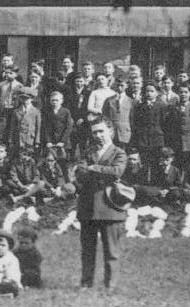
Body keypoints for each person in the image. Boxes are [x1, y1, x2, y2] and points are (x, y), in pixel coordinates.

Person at [73, 117, 127, 291]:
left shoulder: (119, 153)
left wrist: (94, 168)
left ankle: (110, 285)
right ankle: (86, 283)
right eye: (95, 132)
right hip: (88, 207)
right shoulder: (88, 152)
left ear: (110, 131)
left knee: (111, 250)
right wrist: (99, 171)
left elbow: (116, 171)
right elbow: (79, 174)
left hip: (110, 207)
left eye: (101, 131)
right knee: (87, 250)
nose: (98, 135)